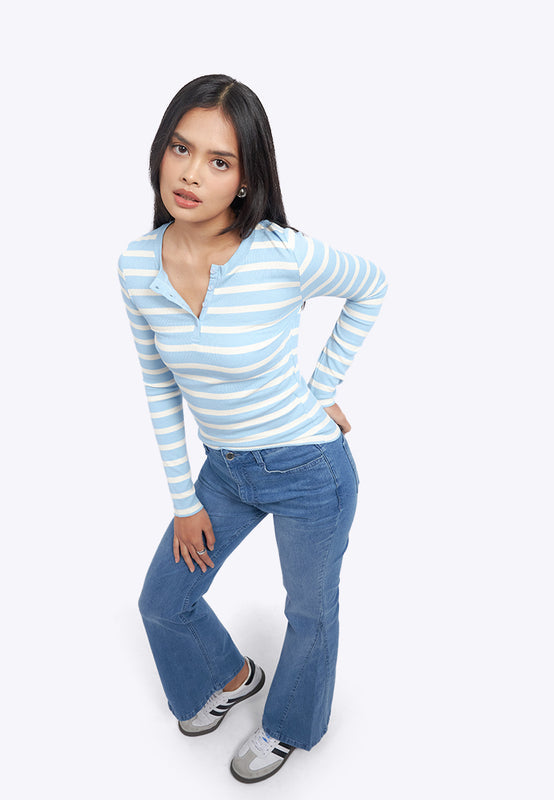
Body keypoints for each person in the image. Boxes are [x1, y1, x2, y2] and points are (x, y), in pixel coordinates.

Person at [118, 74, 388, 784]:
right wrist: (184, 499)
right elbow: (158, 387)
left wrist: (321, 391)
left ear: (245, 179)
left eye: (219, 161)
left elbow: (371, 285)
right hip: (224, 472)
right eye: (181, 148)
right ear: (160, 150)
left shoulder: (279, 253)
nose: (190, 174)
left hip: (310, 470)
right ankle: (233, 676)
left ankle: (291, 725)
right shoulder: (137, 265)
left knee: (310, 612)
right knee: (163, 601)